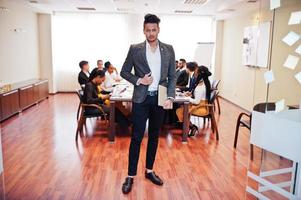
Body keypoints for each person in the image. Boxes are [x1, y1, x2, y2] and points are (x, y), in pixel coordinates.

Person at [120, 13, 176, 194]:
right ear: (143, 30)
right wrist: (139, 81)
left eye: (154, 30)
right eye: (148, 30)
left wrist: (170, 96)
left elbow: (172, 76)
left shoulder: (168, 49)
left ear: (158, 30)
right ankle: (130, 175)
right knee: (136, 137)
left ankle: (149, 171)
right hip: (141, 99)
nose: (151, 33)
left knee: (154, 136)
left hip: (159, 99)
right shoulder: (135, 49)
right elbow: (124, 72)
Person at [176, 66, 211, 136]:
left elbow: (196, 102)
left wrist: (187, 98)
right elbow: (199, 96)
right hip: (200, 104)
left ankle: (191, 127)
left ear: (199, 74)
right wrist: (190, 94)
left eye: (196, 72)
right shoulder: (203, 82)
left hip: (200, 107)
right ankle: (190, 126)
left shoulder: (200, 87)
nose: (194, 73)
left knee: (180, 111)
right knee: (181, 109)